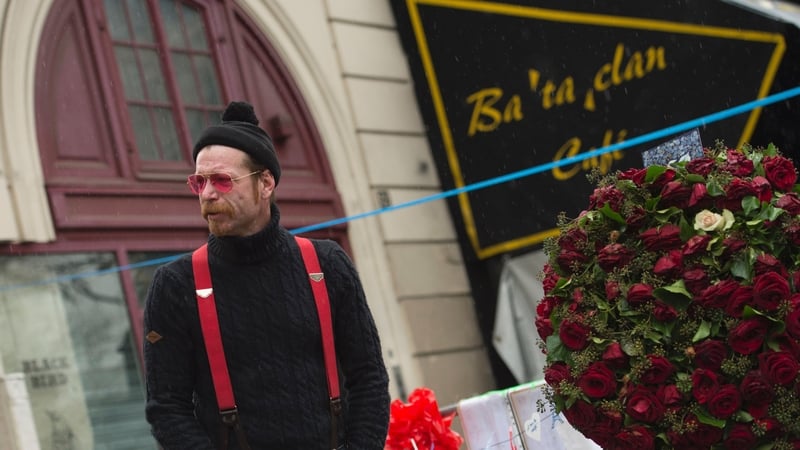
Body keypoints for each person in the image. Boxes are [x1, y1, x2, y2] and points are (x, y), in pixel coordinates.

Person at [143, 101, 390, 449]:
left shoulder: (327, 265)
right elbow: (167, 408)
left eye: (222, 181)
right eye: (199, 182)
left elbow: (369, 378)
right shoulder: (175, 285)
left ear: (266, 183)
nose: (208, 194)